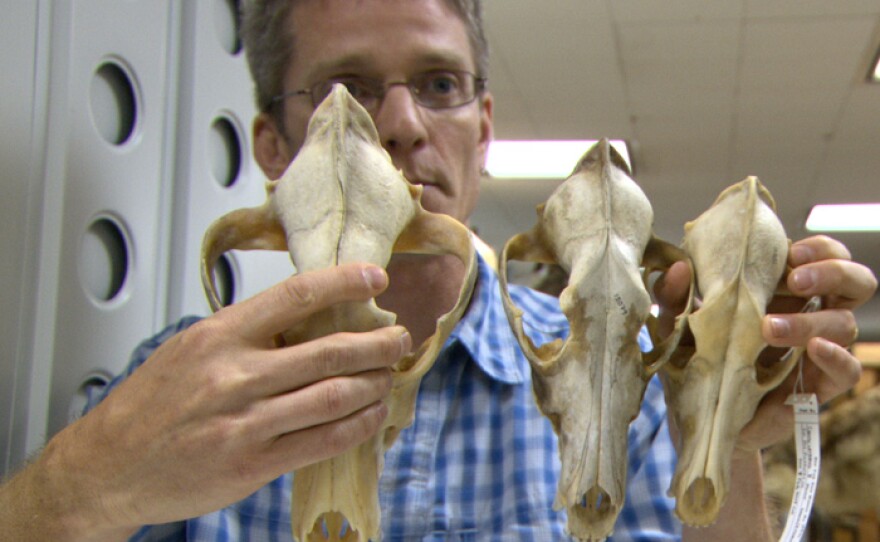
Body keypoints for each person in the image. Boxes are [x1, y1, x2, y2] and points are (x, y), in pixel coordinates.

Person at [0, 0, 876, 540]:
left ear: (484, 128)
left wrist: (719, 435)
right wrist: (77, 488)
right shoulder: (175, 390)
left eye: (440, 85)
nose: (400, 125)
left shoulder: (633, 390)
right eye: (344, 87)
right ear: (273, 146)